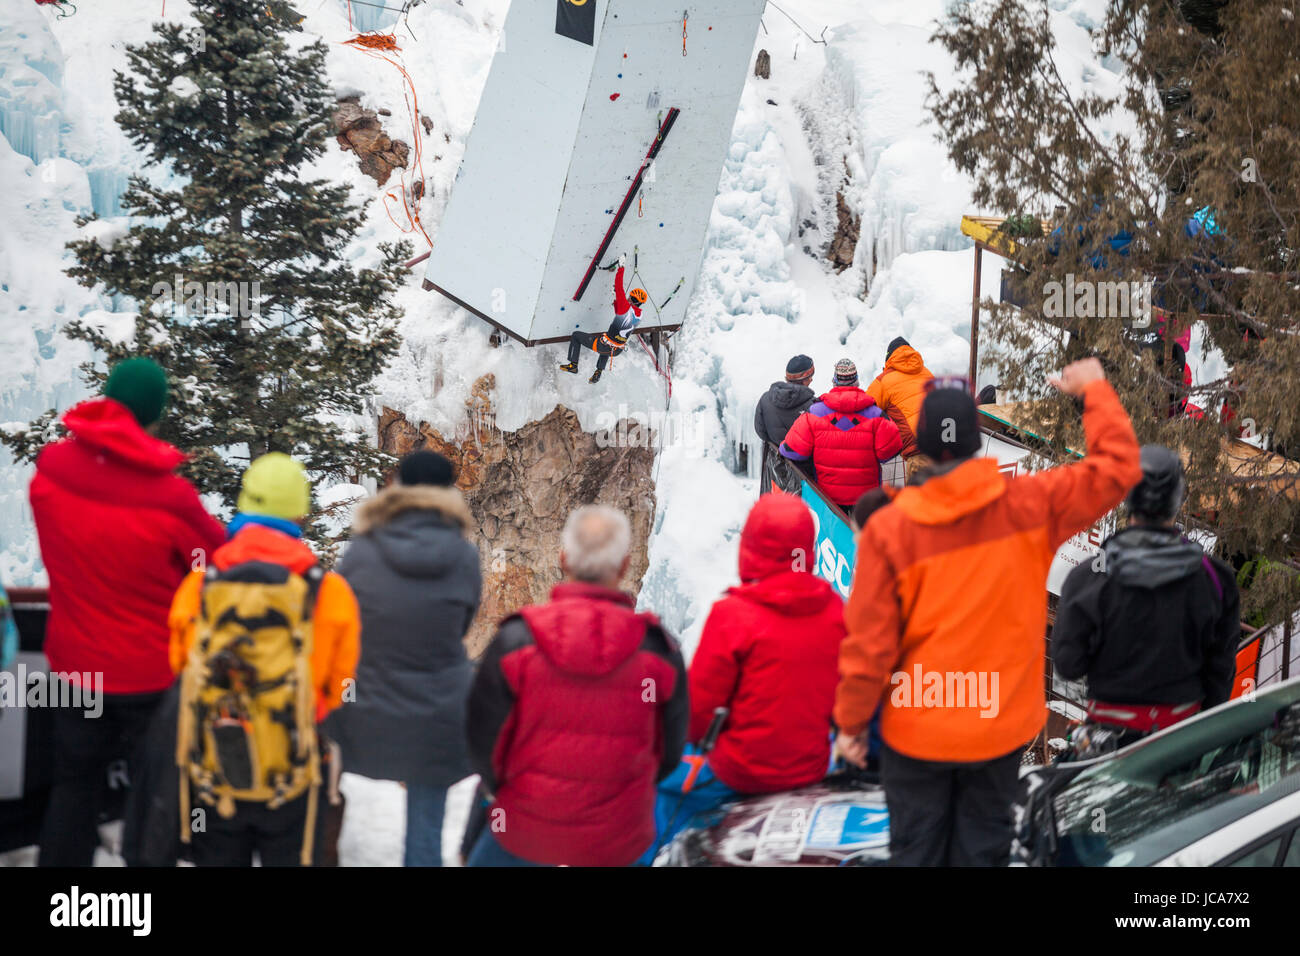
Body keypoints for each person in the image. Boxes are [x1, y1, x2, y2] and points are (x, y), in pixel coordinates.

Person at [834, 358, 1141, 866]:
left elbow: (869, 643)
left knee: (915, 854)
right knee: (984, 854)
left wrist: (850, 725)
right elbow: (1117, 468)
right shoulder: (1030, 504)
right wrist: (1094, 391)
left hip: (916, 733)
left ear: (924, 441)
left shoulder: (891, 531)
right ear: (975, 440)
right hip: (996, 729)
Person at [31, 357, 226, 866]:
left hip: (74, 666)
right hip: (150, 674)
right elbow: (212, 559)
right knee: (152, 795)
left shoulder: (50, 473)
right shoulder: (170, 498)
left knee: (73, 786)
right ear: (154, 413)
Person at [465, 505, 688, 866]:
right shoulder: (659, 650)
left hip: (525, 827)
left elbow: (482, 737)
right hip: (618, 835)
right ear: (625, 564)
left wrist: (504, 788)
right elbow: (670, 750)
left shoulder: (516, 641)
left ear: (564, 558)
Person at [168, 453, 360, 866]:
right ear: (300, 513)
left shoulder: (201, 583)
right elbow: (341, 685)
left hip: (215, 767)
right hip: (290, 769)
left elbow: (180, 662)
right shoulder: (330, 591)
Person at [644, 493, 847, 860]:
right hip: (811, 767)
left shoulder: (732, 615)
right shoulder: (835, 611)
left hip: (740, 773)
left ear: (750, 546)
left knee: (656, 794)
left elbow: (697, 714)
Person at [324, 451, 481, 867]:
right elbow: (461, 624)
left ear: (397, 487)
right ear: (448, 493)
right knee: (427, 820)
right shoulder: (464, 557)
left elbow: (346, 622)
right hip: (438, 713)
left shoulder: (361, 551)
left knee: (328, 783)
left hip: (364, 710)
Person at [1052, 445, 1240, 755]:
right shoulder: (1216, 579)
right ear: (1177, 499)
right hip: (1181, 748)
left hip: (1106, 749)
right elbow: (1220, 674)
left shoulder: (1089, 578)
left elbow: (1069, 664)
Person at [779, 358, 903, 508]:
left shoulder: (814, 413)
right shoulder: (876, 415)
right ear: (856, 381)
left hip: (828, 501)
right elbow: (891, 450)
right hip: (866, 501)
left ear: (835, 381)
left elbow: (792, 451)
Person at [560, 255, 648, 384]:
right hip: (617, 350)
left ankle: (573, 365)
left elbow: (619, 287)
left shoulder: (626, 307)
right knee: (607, 344)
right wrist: (617, 301)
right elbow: (620, 315)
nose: (627, 297)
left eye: (629, 296)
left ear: (632, 299)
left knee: (576, 336)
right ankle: (598, 372)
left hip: (605, 346)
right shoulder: (639, 315)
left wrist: (621, 267)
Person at [866, 337, 935, 480]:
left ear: (889, 357)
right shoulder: (927, 373)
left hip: (918, 453)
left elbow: (866, 410)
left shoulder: (883, 381)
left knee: (916, 501)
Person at [755, 356, 817, 493]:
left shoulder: (765, 399)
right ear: (804, 378)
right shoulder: (812, 407)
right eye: (810, 376)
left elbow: (761, 432)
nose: (812, 379)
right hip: (803, 478)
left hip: (773, 473)